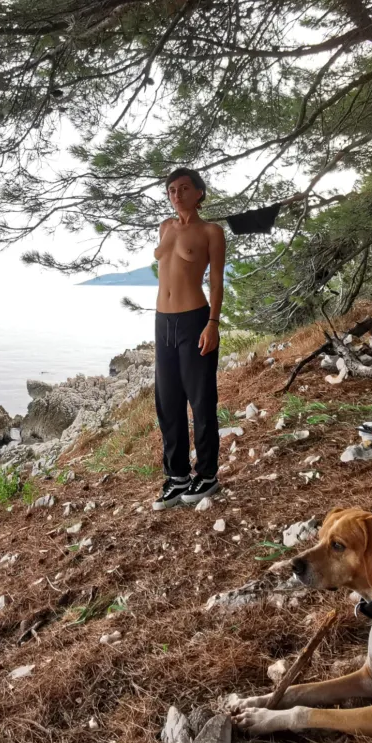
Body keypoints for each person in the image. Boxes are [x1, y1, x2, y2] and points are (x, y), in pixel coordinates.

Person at [152, 167, 226, 509]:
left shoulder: (212, 231)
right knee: (168, 401)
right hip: (162, 322)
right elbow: (163, 262)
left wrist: (212, 323)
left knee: (200, 400)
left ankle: (207, 475)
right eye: (171, 190)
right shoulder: (165, 227)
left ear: (199, 192)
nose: (176, 195)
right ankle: (178, 476)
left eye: (183, 188)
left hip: (195, 318)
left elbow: (215, 283)